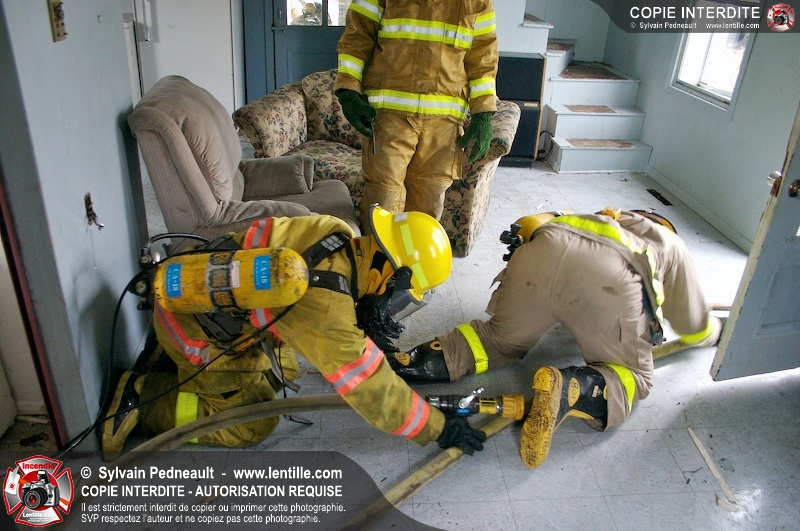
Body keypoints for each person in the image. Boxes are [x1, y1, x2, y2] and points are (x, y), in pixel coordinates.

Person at [101, 206, 486, 459]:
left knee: (284, 369)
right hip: (195, 335)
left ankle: (170, 365)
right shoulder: (326, 309)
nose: (395, 307)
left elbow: (313, 299)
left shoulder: (336, 232)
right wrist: (436, 427)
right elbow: (369, 385)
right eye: (401, 297)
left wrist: (359, 314)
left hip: (204, 297)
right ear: (388, 272)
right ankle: (141, 398)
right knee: (254, 423)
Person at [387, 208, 724, 469]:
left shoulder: (595, 216)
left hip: (540, 255)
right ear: (664, 225)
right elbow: (691, 322)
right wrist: (713, 332)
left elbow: (530, 226)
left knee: (496, 340)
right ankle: (570, 390)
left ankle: (406, 363)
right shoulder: (669, 243)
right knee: (633, 377)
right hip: (610, 283)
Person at [333, 0, 499, 230]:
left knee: (428, 203)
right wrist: (348, 90)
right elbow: (356, 39)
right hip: (389, 116)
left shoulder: (477, 2)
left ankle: (417, 254)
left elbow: (484, 59)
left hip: (444, 123)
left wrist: (483, 114)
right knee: (383, 197)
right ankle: (378, 253)